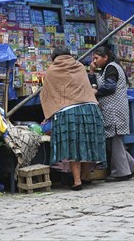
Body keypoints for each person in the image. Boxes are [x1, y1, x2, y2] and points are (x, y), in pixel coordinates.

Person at [40, 46, 107, 191]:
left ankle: (77, 181)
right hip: (90, 109)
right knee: (88, 142)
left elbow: (48, 92)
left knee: (73, 146)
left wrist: (50, 112)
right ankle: (85, 176)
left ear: (54, 57)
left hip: (69, 111)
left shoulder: (52, 70)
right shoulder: (79, 67)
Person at [88, 45, 134, 181]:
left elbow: (110, 87)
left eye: (97, 58)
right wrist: (92, 72)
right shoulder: (107, 69)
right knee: (113, 141)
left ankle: (121, 173)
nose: (94, 61)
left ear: (105, 57)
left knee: (115, 141)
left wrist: (97, 92)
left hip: (114, 111)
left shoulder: (111, 68)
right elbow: (96, 85)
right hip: (112, 110)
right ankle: (132, 166)